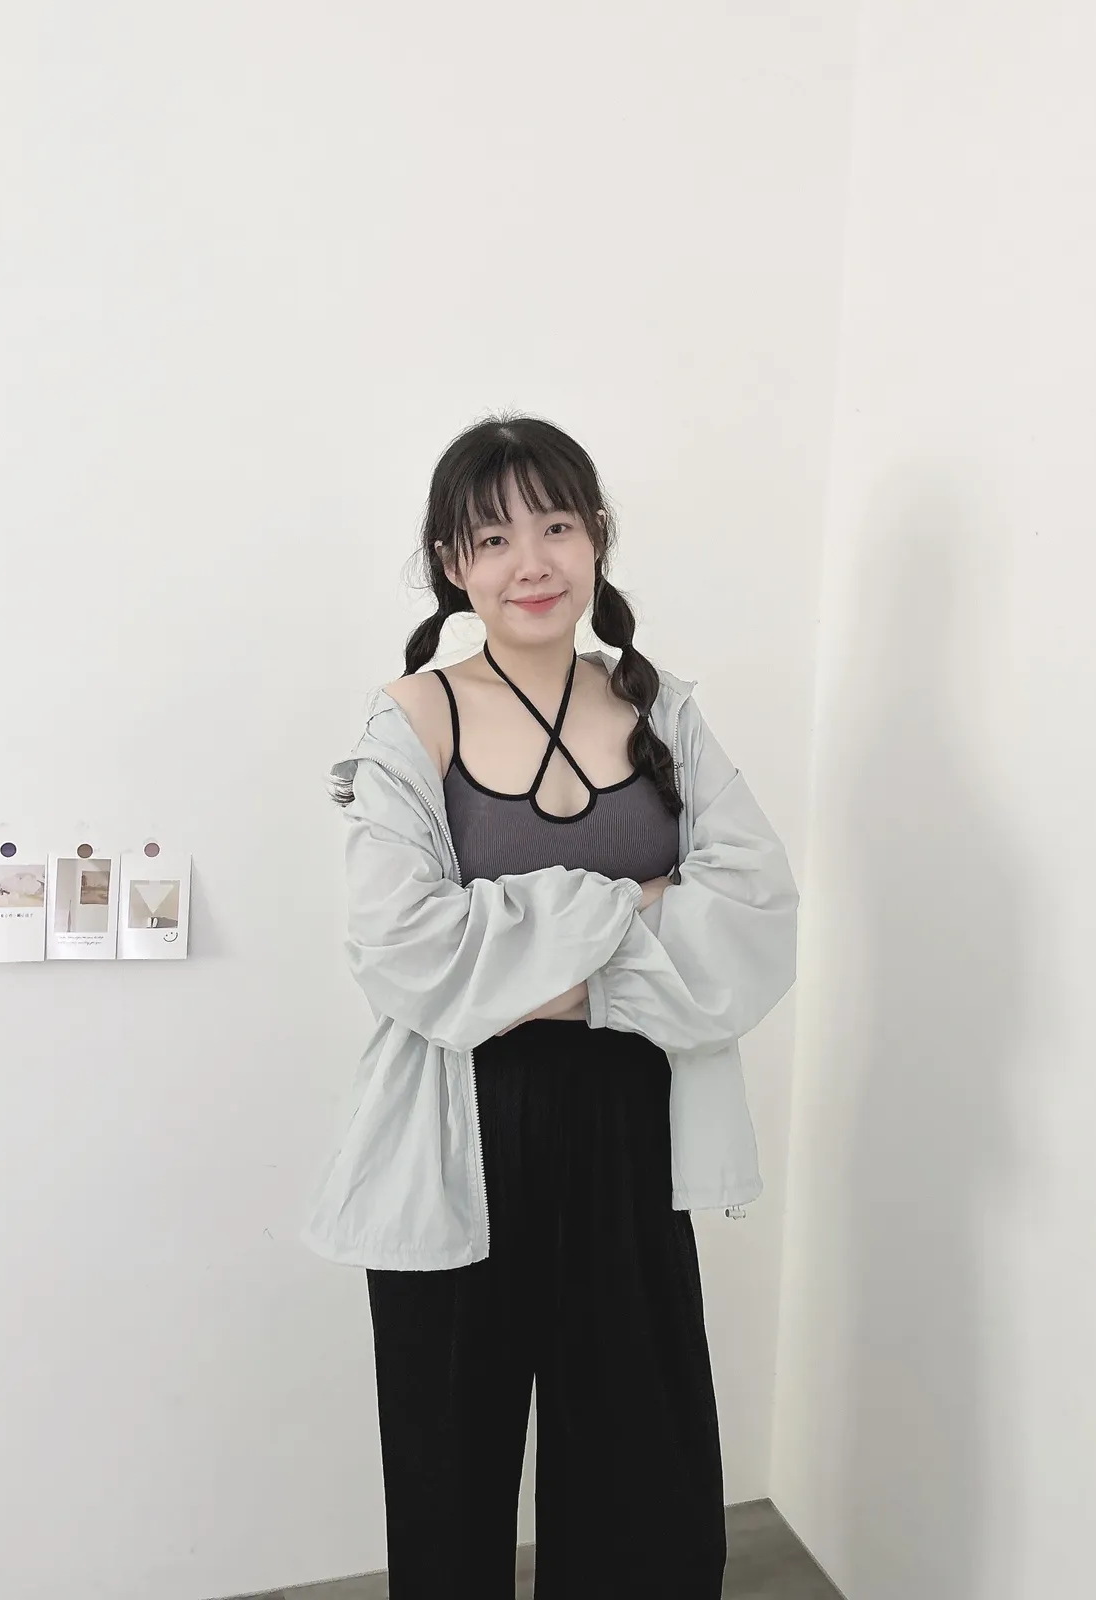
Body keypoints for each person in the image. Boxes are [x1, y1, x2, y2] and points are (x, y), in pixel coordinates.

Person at [302, 412, 800, 1598]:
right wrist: (639, 908)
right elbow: (404, 950)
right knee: (450, 1487)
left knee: (645, 1489)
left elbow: (755, 917)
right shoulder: (414, 718)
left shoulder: (660, 709)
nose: (531, 562)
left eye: (557, 526)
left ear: (597, 538)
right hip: (454, 1137)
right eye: (492, 538)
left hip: (631, 1135)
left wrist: (517, 955)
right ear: (452, 563)